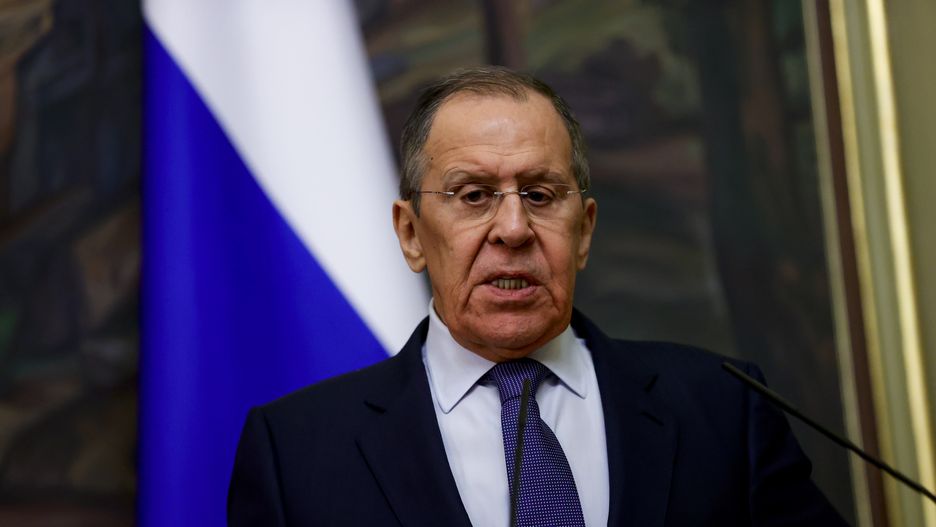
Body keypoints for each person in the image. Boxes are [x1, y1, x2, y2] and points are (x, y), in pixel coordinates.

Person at [228, 66, 847, 526]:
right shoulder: (297, 452)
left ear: (585, 230)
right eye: (473, 195)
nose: (514, 229)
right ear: (411, 234)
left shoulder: (723, 408)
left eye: (542, 194)